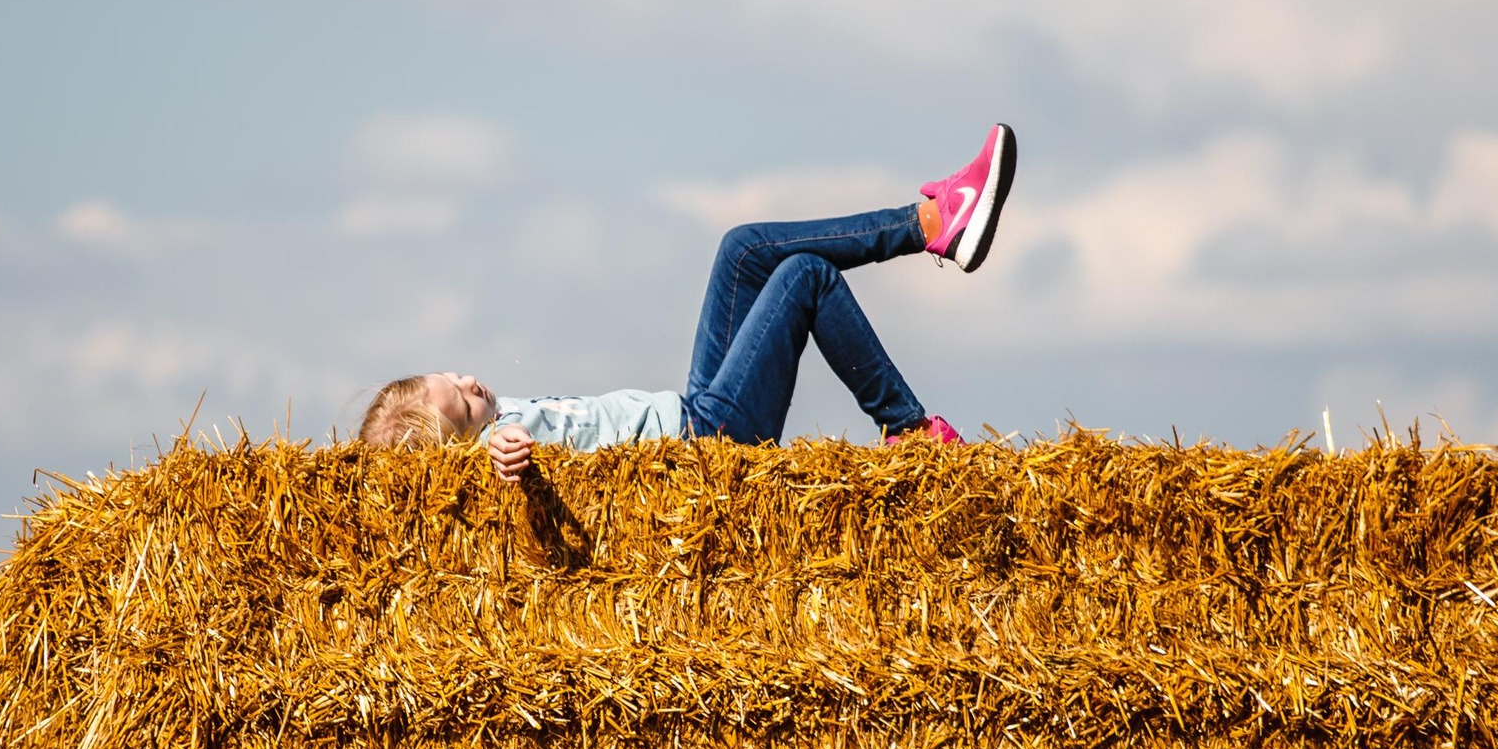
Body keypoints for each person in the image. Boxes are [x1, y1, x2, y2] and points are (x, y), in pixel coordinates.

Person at [357, 124, 1016, 480]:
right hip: (708, 444)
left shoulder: (497, 415)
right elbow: (511, 481)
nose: (471, 382)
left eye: (453, 375)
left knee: (744, 248)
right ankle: (911, 432)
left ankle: (932, 223)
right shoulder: (503, 454)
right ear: (463, 452)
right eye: (464, 400)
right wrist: (508, 466)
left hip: (692, 410)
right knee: (804, 276)